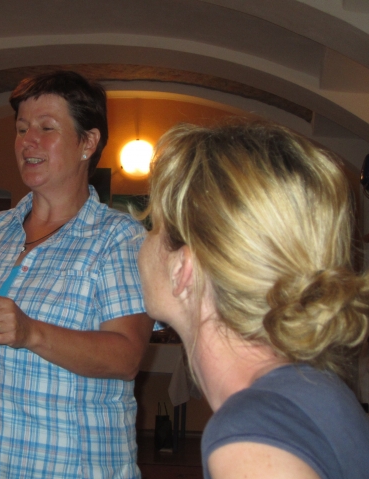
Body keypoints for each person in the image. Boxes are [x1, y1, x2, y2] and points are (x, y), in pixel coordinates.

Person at [0, 71, 155, 478]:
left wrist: (31, 333)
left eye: (46, 128)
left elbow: (126, 356)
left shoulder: (120, 238)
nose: (28, 140)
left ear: (88, 143)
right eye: (21, 128)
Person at [138, 121, 369, 479]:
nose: (142, 241)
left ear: (183, 269)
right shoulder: (308, 388)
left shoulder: (252, 437)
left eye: (153, 226)